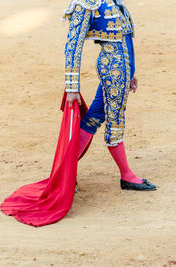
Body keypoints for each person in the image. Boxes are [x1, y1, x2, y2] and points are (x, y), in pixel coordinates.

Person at [63, 0, 156, 190]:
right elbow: (73, 45)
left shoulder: (113, 1)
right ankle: (127, 176)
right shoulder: (86, 3)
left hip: (121, 69)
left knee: (94, 117)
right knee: (114, 121)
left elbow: (125, 39)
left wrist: (130, 72)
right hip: (112, 69)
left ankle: (66, 173)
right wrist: (71, 87)